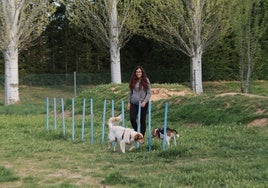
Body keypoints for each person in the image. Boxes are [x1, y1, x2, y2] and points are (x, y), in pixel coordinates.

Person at [127, 66, 151, 137]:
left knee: (142, 120)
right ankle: (137, 132)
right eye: (137, 72)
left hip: (143, 103)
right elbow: (131, 92)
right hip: (134, 103)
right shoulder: (133, 80)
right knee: (132, 119)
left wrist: (145, 101)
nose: (138, 73)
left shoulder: (146, 80)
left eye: (140, 72)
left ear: (142, 73)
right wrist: (129, 102)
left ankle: (142, 136)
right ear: (135, 73)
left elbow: (149, 93)